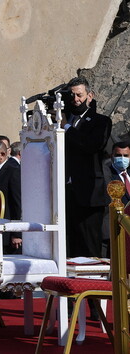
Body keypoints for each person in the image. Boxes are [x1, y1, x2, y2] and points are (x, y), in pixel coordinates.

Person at [62, 76, 112, 258]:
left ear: (89, 96)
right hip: (65, 194)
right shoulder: (62, 120)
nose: (75, 100)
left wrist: (67, 127)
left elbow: (93, 145)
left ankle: (94, 283)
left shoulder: (101, 121)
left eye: (79, 95)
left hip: (89, 195)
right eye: (72, 95)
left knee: (89, 246)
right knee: (69, 246)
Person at [102, 141, 130, 257]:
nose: (122, 159)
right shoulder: (106, 173)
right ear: (112, 156)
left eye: (126, 156)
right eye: (118, 155)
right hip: (114, 228)